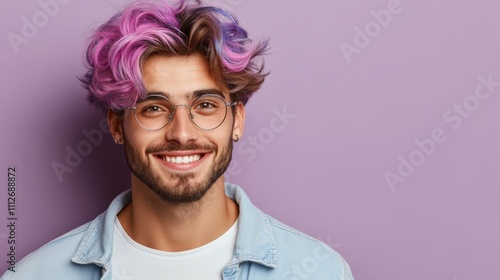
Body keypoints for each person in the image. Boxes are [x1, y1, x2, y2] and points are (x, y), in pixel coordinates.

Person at [1, 0, 354, 279]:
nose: (182, 133)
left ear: (237, 120)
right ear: (117, 125)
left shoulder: (318, 271)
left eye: (205, 105)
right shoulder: (36, 276)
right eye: (154, 108)